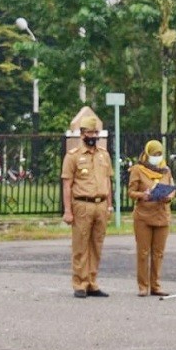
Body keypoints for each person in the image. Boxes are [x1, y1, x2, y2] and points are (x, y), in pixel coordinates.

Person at [61, 114, 113, 298]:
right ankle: (80, 283)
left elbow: (108, 181)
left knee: (97, 245)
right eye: (90, 132)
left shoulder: (104, 155)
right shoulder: (73, 156)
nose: (93, 136)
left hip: (101, 204)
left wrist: (109, 205)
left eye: (95, 132)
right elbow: (67, 185)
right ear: (82, 134)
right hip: (82, 204)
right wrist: (67, 211)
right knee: (81, 246)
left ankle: (92, 282)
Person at [128, 140, 176, 297]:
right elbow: (131, 192)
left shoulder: (166, 169)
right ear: (147, 153)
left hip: (162, 214)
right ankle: (143, 286)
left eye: (159, 154)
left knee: (158, 253)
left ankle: (156, 285)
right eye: (154, 154)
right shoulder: (138, 169)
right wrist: (143, 195)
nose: (157, 157)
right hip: (144, 216)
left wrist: (169, 196)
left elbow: (172, 188)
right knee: (143, 252)